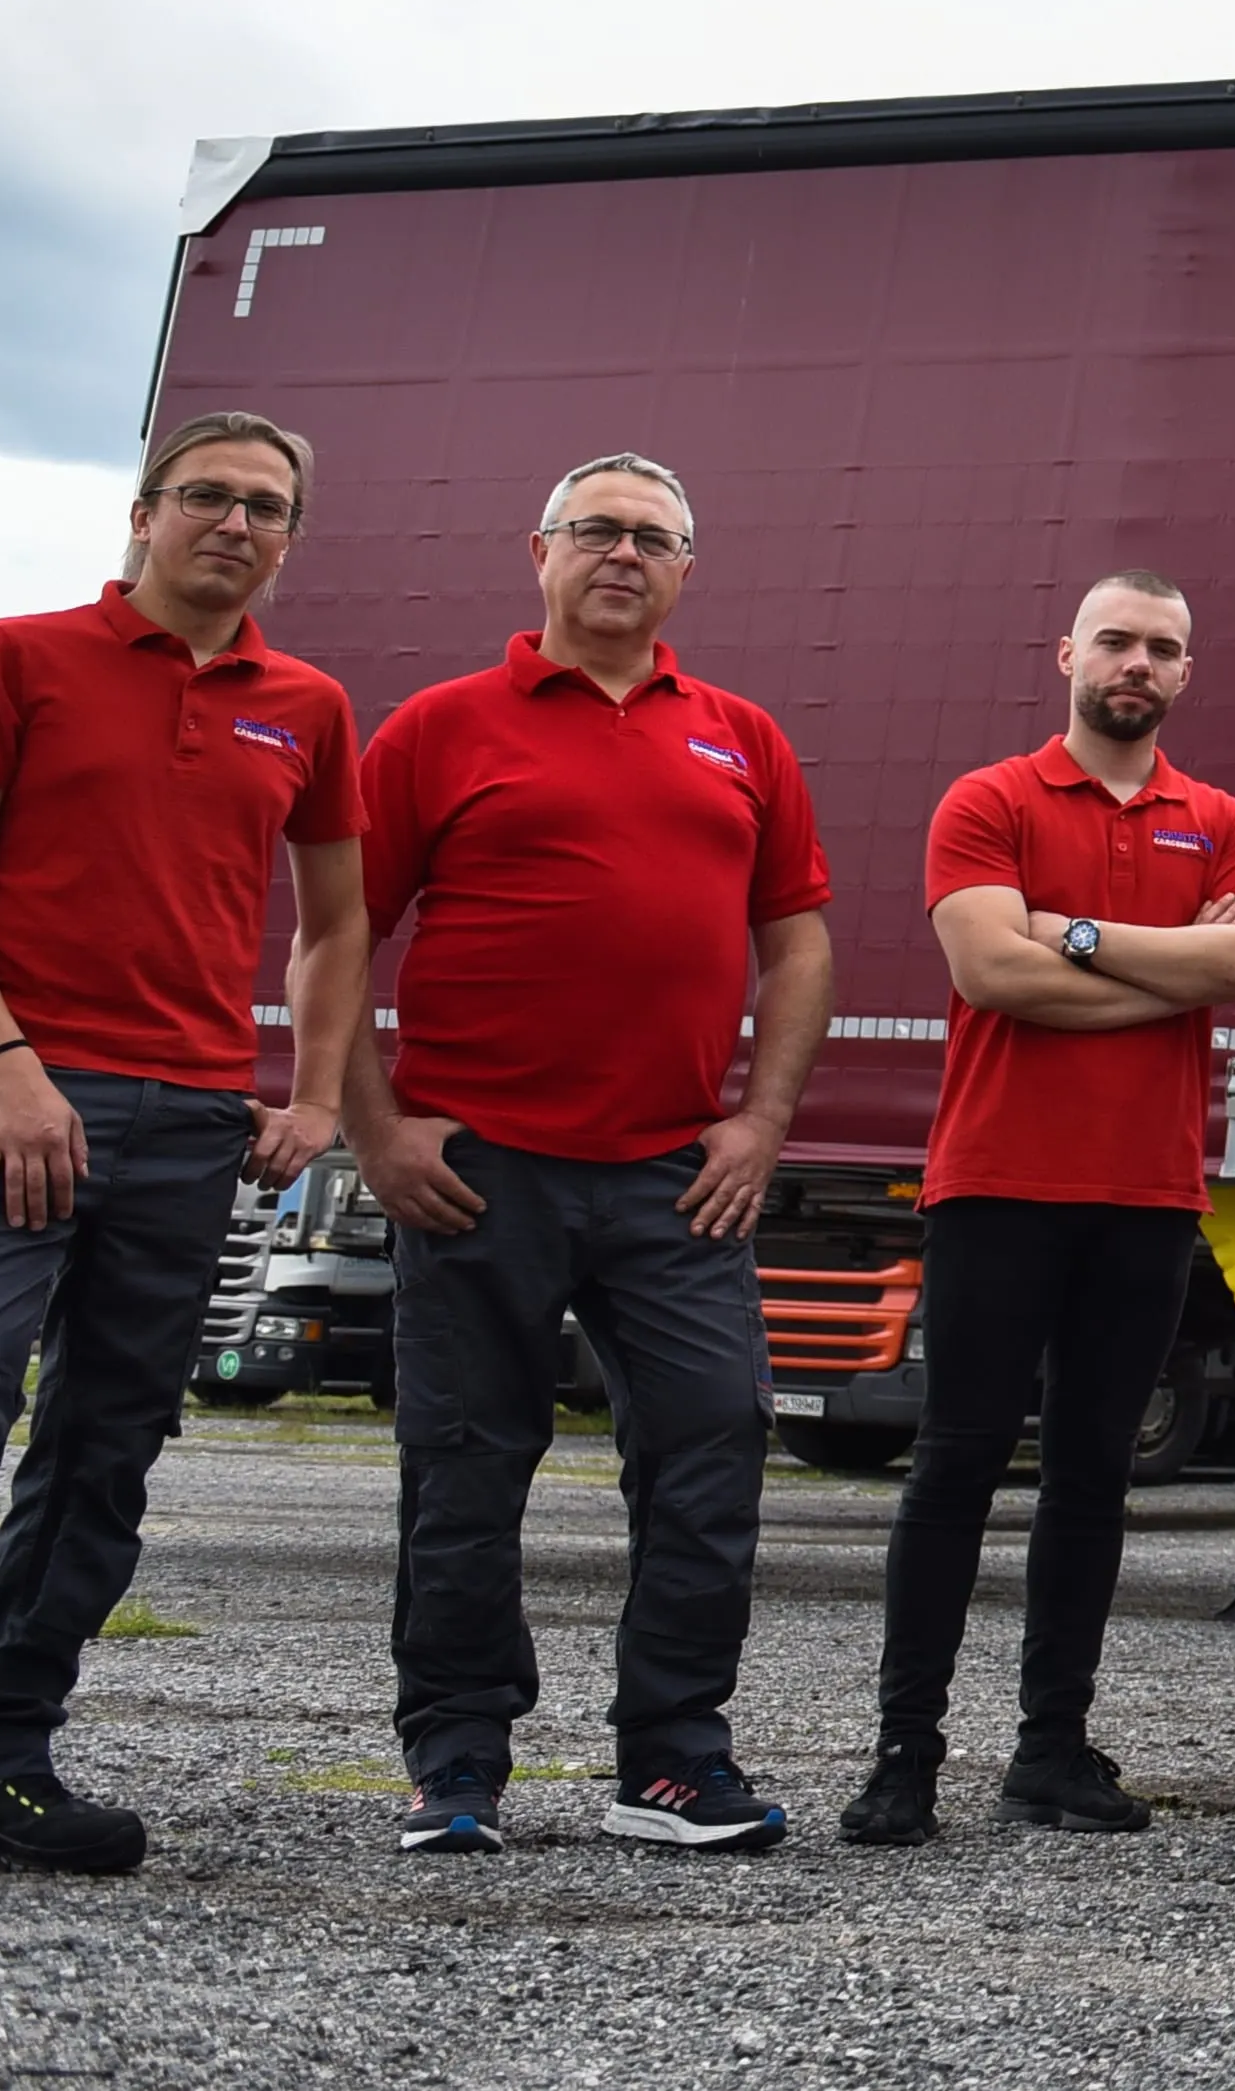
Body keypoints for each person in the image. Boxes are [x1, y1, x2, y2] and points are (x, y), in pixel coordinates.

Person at [0, 415, 376, 1897]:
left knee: (106, 1443)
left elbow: (334, 923)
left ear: (291, 535)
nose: (236, 522)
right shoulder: (19, 656)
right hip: (8, 1099)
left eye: (269, 505)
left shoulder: (307, 703)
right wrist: (5, 1067)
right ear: (143, 512)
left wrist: (313, 1095)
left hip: (191, 1119)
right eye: (210, 495)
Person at [342, 454, 836, 1856]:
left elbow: (795, 940)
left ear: (687, 569)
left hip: (672, 1171)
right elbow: (339, 934)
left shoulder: (743, 736)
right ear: (540, 551)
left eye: (654, 536)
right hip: (478, 1166)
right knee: (464, 1463)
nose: (625, 551)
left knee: (711, 1441)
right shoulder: (440, 727)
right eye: (598, 529)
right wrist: (374, 1122)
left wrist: (759, 1120)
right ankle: (456, 1760)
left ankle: (673, 1759)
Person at [845, 570, 1235, 1846]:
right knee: (957, 1463)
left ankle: (1050, 1753)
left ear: (1187, 671)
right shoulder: (988, 799)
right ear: (1068, 655)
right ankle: (904, 1756)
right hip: (995, 1181)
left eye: (1162, 646)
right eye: (1117, 640)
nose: (1137, 662)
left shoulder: (1227, 821)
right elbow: (991, 968)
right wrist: (1173, 972)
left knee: (1093, 1478)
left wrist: (1076, 939)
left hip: (1148, 1193)